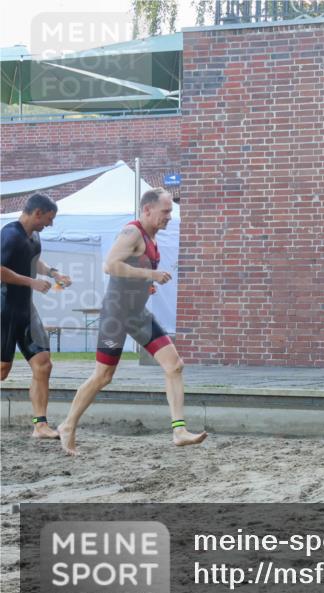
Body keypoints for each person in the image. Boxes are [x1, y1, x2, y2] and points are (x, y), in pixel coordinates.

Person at [58, 188, 207, 455]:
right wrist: (149, 273)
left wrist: (146, 283)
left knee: (174, 365)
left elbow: (132, 273)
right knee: (103, 376)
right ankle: (68, 425)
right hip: (116, 315)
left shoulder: (151, 236)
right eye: (166, 211)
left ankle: (179, 430)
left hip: (138, 314)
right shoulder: (132, 232)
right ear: (147, 209)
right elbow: (110, 265)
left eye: (171, 211)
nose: (170, 217)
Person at [1, 193, 72, 439]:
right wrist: (31, 282)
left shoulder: (34, 236)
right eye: (49, 219)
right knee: (2, 369)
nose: (50, 225)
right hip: (5, 307)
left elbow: (33, 260)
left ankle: (40, 425)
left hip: (25, 308)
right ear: (37, 213)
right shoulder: (9, 235)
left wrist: (54, 273)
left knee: (43, 363)